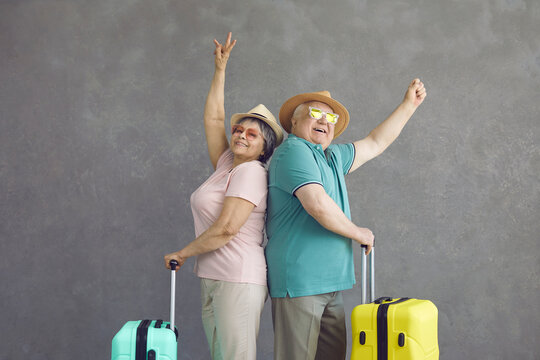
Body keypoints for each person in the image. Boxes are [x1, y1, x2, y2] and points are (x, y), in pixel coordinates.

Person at [265, 80, 427, 359]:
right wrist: (358, 232)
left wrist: (408, 106)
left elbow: (376, 142)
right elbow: (316, 203)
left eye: (331, 118)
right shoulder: (294, 151)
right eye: (316, 114)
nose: (325, 122)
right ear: (294, 121)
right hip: (301, 282)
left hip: (332, 283)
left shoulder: (332, 157)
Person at [164, 32, 284, 360]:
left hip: (239, 279)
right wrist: (220, 70)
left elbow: (227, 229)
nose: (240, 136)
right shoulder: (227, 163)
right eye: (238, 130)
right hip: (214, 276)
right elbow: (214, 118)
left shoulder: (252, 172)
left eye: (251, 134)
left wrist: (184, 252)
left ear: (264, 146)